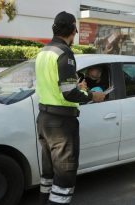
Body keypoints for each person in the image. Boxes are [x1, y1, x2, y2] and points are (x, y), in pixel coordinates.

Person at [35, 11, 106, 205]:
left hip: (44, 120)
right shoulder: (64, 53)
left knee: (48, 174)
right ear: (71, 31)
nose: (74, 36)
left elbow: (52, 85)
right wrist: (93, 95)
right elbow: (68, 94)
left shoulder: (43, 52)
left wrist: (76, 87)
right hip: (62, 123)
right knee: (64, 176)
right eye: (75, 32)